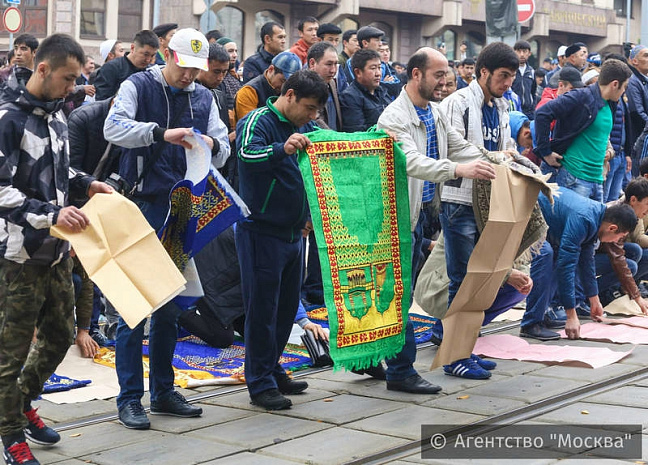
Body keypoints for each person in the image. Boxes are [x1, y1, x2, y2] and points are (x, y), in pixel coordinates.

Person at [104, 28, 230, 430]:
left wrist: (211, 146)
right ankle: (129, 398)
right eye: (184, 67)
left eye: (197, 69)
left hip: (183, 210)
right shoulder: (138, 85)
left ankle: (162, 390)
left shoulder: (204, 97)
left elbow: (224, 146)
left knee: (171, 307)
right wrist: (159, 133)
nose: (190, 76)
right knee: (133, 308)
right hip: (143, 205)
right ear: (166, 54)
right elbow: (114, 127)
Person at [0, 33, 113, 465]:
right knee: (9, 354)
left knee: (60, 335)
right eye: (67, 79)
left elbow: (60, 169)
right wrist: (50, 214)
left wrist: (87, 184)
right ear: (42, 70)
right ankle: (10, 435)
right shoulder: (8, 119)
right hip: (18, 258)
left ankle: (20, 404)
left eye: (76, 80)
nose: (73, 88)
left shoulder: (58, 114)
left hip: (59, 251)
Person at [378, 47, 510, 388]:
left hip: (422, 214)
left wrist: (499, 159)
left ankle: (419, 359)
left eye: (446, 75)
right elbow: (410, 161)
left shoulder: (434, 112)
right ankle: (402, 370)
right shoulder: (393, 117)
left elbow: (460, 145)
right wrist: (458, 169)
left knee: (421, 289)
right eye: (438, 75)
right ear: (416, 74)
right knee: (401, 295)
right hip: (396, 216)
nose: (444, 81)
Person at [236, 69, 328, 410]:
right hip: (261, 230)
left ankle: (272, 368)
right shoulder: (257, 120)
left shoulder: (306, 125)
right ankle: (259, 382)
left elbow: (331, 141)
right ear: (288, 95)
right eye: (308, 107)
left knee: (286, 308)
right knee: (262, 309)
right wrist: (281, 148)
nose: (311, 116)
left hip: (294, 233)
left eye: (316, 110)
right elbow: (246, 156)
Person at [438, 41, 519, 348]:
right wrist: (496, 158)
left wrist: (516, 161)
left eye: (511, 76)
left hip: (488, 202)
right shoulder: (457, 103)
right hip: (458, 200)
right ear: (483, 72)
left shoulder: (501, 106)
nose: (508, 82)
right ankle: (456, 348)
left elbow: (506, 148)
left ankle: (458, 338)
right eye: (503, 75)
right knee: (462, 278)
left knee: (482, 276)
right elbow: (454, 147)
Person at [521, 188, 637, 341]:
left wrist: (594, 299)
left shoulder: (597, 219)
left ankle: (541, 314)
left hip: (546, 223)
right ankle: (531, 323)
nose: (616, 241)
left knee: (556, 257)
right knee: (547, 255)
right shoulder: (584, 219)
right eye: (619, 237)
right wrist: (571, 315)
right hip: (526, 215)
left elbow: (587, 263)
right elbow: (566, 266)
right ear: (612, 228)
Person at [535, 59, 632, 202]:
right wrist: (545, 151)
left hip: (597, 179)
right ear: (615, 84)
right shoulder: (581, 96)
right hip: (574, 178)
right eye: (625, 86)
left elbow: (600, 136)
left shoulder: (611, 103)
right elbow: (542, 114)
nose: (624, 91)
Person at [596, 178, 648, 311]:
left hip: (606, 252)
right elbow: (618, 256)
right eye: (647, 204)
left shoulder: (633, 211)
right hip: (588, 256)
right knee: (630, 265)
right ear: (633, 200)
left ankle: (614, 290)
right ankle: (590, 295)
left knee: (635, 251)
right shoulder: (618, 214)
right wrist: (637, 296)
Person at [235, 51, 301, 123]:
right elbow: (249, 125)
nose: (284, 87)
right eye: (283, 81)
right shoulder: (249, 92)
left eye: (290, 83)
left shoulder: (290, 92)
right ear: (271, 69)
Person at [94, 29, 159, 101]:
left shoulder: (152, 72)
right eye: (145, 54)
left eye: (152, 55)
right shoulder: (111, 68)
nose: (148, 60)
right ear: (132, 48)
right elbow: (102, 101)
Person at [340, 49, 391, 132]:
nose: (378, 73)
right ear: (358, 72)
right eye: (373, 68)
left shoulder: (382, 92)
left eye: (379, 68)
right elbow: (357, 132)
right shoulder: (350, 97)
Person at [307, 41, 342, 130]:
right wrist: (333, 137)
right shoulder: (305, 87)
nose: (333, 70)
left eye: (335, 64)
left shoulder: (332, 82)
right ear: (312, 63)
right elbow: (315, 119)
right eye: (329, 64)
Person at [626, 45, 648, 175]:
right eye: (646, 55)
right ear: (634, 61)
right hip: (639, 139)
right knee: (639, 179)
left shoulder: (644, 80)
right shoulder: (633, 81)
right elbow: (637, 113)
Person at [511, 40, 536, 120]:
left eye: (524, 51)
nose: (521, 54)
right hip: (514, 112)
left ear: (529, 53)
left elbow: (533, 92)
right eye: (519, 51)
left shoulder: (531, 72)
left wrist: (533, 106)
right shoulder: (510, 71)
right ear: (514, 52)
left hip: (529, 112)